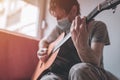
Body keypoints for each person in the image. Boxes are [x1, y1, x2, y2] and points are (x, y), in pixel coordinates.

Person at [37, 0, 119, 80]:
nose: (57, 21)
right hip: (63, 73)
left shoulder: (98, 26)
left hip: (91, 72)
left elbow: (95, 62)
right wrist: (42, 49)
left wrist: (82, 45)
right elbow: (43, 41)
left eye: (59, 17)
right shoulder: (58, 29)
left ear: (73, 10)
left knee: (78, 70)